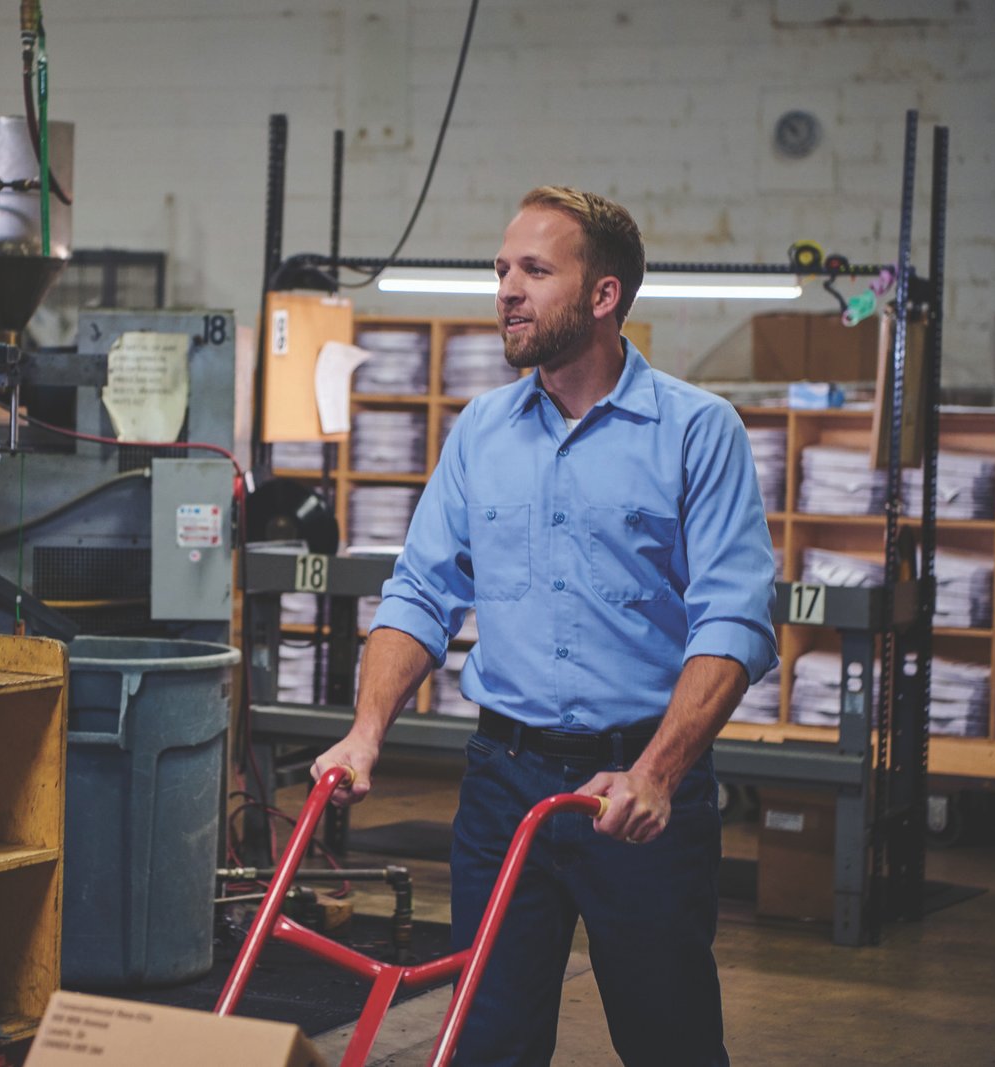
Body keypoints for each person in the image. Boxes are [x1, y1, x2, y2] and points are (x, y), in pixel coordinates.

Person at [312, 186, 777, 1066]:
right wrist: (365, 732)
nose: (507, 291)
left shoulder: (696, 431)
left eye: (534, 270)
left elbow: (735, 620)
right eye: (501, 270)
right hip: (504, 780)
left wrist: (657, 773)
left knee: (670, 1039)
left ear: (603, 295)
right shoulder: (482, 431)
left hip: (637, 787)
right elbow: (420, 593)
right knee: (487, 1039)